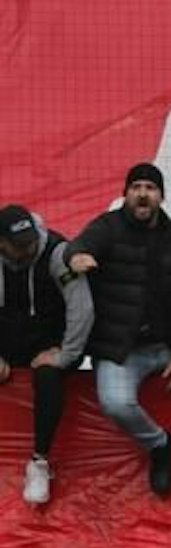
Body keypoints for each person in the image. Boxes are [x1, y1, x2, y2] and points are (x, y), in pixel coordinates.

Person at [63, 162, 171, 496]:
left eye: (150, 188)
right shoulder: (108, 227)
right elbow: (78, 246)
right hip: (122, 350)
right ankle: (160, 446)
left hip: (165, 347)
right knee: (116, 403)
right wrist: (77, 258)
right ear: (126, 194)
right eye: (136, 188)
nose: (143, 194)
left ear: (161, 196)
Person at [0, 204, 91, 506]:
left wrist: (66, 354)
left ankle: (39, 462)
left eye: (30, 243)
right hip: (9, 342)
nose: (28, 250)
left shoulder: (55, 252)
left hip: (52, 343)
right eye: (19, 247)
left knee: (49, 377)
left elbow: (82, 309)